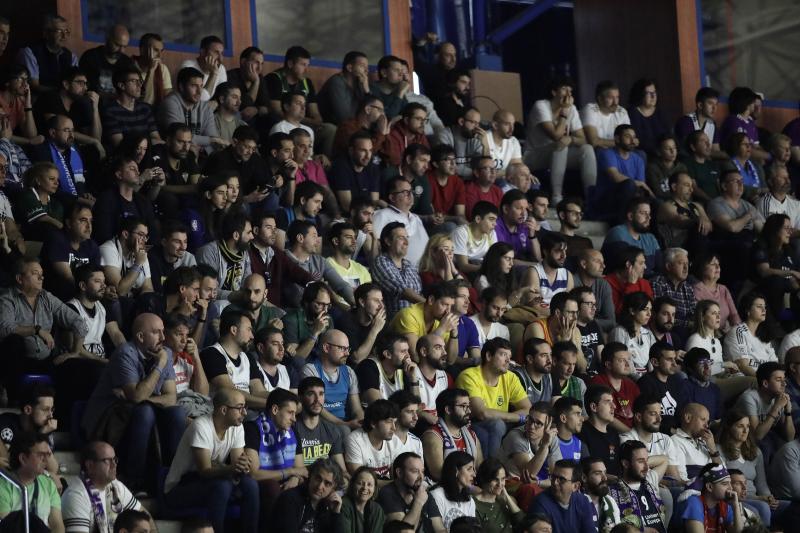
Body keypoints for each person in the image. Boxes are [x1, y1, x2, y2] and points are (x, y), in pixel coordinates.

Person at [81, 313, 184, 492]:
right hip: (107, 418)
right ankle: (134, 479)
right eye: (156, 332)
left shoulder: (164, 353)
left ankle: (171, 479)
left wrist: (143, 398)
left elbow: (170, 397)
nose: (162, 337)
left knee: (177, 412)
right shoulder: (125, 354)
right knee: (145, 412)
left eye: (162, 332)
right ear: (140, 337)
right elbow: (137, 397)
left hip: (136, 412)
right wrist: (159, 366)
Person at [164, 389, 258, 533]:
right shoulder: (201, 426)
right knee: (223, 486)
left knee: (250, 484)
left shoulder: (237, 427)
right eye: (240, 408)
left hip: (209, 481)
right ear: (224, 410)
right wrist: (233, 468)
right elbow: (204, 471)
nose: (244, 413)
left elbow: (237, 466)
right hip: (179, 487)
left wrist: (244, 465)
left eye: (245, 407)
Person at [0, 258, 87, 394]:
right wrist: (36, 330)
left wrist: (74, 353)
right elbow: (4, 329)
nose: (41, 277)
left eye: (42, 273)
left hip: (47, 359)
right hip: (20, 360)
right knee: (13, 342)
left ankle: (61, 412)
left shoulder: (46, 297)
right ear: (19, 278)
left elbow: (78, 322)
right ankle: (12, 396)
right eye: (35, 273)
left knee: (75, 366)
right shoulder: (7, 298)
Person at [455, 338, 532, 457]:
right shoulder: (469, 376)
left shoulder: (510, 378)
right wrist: (516, 417)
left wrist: (513, 418)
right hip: (470, 424)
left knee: (532, 424)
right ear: (489, 356)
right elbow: (481, 413)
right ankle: (491, 471)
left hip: (501, 423)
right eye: (503, 355)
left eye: (509, 356)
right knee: (497, 425)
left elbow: (528, 409)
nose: (508, 360)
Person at [524, 75, 595, 204]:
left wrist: (571, 139)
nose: (568, 93)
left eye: (570, 91)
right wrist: (564, 113)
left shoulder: (572, 109)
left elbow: (583, 139)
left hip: (557, 156)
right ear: (554, 92)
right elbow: (556, 135)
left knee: (587, 149)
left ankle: (591, 198)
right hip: (534, 156)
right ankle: (557, 197)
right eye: (564, 89)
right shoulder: (541, 106)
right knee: (561, 145)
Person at [61, 440, 153, 533]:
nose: (114, 465)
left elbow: (144, 516)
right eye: (107, 461)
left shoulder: (116, 486)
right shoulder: (76, 495)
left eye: (115, 460)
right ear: (90, 465)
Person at [717, 410, 784, 527]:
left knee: (791, 506)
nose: (745, 430)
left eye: (747, 426)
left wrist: (769, 497)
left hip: (758, 498)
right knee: (762, 508)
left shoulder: (756, 452)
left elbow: (761, 484)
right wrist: (759, 498)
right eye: (740, 426)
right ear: (729, 427)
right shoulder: (719, 450)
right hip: (736, 498)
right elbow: (724, 487)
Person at [707, 170, 765, 289]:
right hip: (727, 242)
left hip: (748, 239)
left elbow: (762, 229)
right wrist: (748, 216)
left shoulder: (747, 205)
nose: (740, 184)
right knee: (743, 247)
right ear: (724, 186)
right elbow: (732, 227)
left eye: (742, 181)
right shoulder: (716, 203)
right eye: (736, 181)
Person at [0, 432, 64, 531]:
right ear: (23, 458)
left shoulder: (49, 484)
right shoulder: (3, 486)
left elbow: (57, 526)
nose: (46, 460)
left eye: (48, 455)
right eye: (41, 455)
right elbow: (7, 528)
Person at [30, 114, 95, 208]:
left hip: (79, 203)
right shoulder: (42, 152)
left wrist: (85, 194)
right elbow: (48, 188)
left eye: (72, 130)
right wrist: (79, 200)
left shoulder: (75, 149)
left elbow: (80, 179)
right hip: (56, 205)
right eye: (67, 130)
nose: (71, 135)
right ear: (53, 133)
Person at [735, 362, 795, 461]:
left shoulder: (779, 398)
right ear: (765, 383)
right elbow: (757, 436)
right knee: (765, 446)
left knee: (790, 447)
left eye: (784, 380)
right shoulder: (750, 398)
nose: (784, 384)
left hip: (767, 435)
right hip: (743, 437)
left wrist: (788, 412)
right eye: (778, 380)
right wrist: (776, 407)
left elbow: (789, 438)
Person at [595, 124, 652, 223]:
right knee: (629, 184)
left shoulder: (638, 159)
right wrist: (640, 184)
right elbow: (616, 177)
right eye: (627, 136)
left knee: (651, 200)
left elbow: (642, 187)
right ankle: (622, 223)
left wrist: (656, 200)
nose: (632, 140)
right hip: (607, 200)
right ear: (617, 139)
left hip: (630, 200)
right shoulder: (607, 153)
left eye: (634, 137)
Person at [271, 457, 345, 532]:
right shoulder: (290, 500)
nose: (319, 487)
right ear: (310, 476)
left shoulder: (327, 505)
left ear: (333, 489)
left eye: (327, 484)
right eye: (317, 478)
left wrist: (336, 513)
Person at [0, 385, 59, 479]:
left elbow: (53, 469)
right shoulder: (7, 423)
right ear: (28, 410)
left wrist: (41, 435)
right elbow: (11, 463)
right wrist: (40, 435)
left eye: (52, 410)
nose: (50, 415)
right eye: (45, 410)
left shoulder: (44, 429)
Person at [378, 452, 446, 532]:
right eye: (415, 471)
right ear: (399, 473)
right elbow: (402, 532)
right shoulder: (388, 493)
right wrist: (418, 502)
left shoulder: (424, 493)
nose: (421, 477)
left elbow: (440, 529)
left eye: (422, 472)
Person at [608, 440, 667, 532]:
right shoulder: (611, 492)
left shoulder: (650, 480)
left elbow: (664, 459)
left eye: (647, 460)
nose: (647, 467)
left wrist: (642, 460)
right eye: (640, 461)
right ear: (625, 463)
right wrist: (641, 530)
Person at [158, 67, 222, 152]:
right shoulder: (170, 103)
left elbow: (214, 141)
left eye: (201, 86)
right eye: (194, 86)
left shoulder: (205, 108)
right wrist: (209, 140)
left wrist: (204, 146)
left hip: (200, 156)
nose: (199, 91)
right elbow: (180, 136)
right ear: (181, 87)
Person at [499, 401, 557, 493]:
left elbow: (557, 477)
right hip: (509, 487)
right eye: (530, 419)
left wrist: (539, 483)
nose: (531, 426)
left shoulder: (553, 438)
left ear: (549, 426)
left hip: (534, 486)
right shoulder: (515, 436)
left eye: (538, 423)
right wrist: (545, 445)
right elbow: (528, 475)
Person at [374, 176, 430, 268]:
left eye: (411, 192)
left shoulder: (415, 218)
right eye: (405, 192)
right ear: (392, 197)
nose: (411, 195)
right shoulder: (382, 215)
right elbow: (375, 247)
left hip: (425, 270)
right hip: (397, 271)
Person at [101, 65, 162, 147]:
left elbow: (156, 138)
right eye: (133, 81)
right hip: (125, 157)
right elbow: (120, 144)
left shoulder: (145, 108)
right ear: (121, 86)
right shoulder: (110, 111)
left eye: (139, 81)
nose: (139, 85)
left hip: (148, 154)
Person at [373, 222, 425, 318]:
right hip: (395, 323)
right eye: (401, 238)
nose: (406, 242)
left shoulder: (409, 265)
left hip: (416, 320)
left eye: (407, 237)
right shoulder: (381, 261)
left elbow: (419, 292)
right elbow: (402, 291)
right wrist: (429, 306)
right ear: (388, 241)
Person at [528, 459, 595, 533]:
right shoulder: (540, 504)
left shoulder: (583, 501)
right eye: (553, 477)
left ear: (575, 486)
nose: (555, 482)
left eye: (561, 479)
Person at [723, 292, 778, 378]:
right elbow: (742, 365)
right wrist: (764, 383)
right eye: (759, 307)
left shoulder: (764, 335)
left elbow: (774, 364)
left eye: (765, 307)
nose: (764, 310)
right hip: (747, 381)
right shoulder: (738, 332)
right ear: (747, 310)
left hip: (766, 382)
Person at [636, 343, 687, 433]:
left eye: (674, 359)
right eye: (669, 359)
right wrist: (670, 431)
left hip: (676, 433)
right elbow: (646, 419)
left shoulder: (675, 382)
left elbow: (679, 413)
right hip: (656, 434)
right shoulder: (645, 384)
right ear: (655, 362)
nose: (675, 364)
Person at [602, 197, 661, 275]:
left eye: (649, 214)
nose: (648, 217)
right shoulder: (618, 233)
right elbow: (629, 269)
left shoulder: (651, 238)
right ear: (630, 216)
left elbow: (660, 266)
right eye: (643, 213)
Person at [356, 333, 420, 405]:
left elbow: (416, 407)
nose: (408, 355)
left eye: (407, 350)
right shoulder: (368, 366)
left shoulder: (404, 370)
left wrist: (413, 379)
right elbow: (379, 405)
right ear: (388, 354)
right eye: (403, 351)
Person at [344, 399, 400, 482]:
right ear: (373, 423)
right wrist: (395, 485)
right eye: (389, 422)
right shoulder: (355, 440)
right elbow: (361, 479)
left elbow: (396, 475)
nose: (394, 428)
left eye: (395, 422)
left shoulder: (394, 440)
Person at [657, 172, 713, 254]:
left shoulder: (697, 205)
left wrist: (704, 221)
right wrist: (698, 220)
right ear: (674, 187)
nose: (691, 190)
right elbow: (680, 220)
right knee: (697, 226)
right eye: (687, 185)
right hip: (679, 248)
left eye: (691, 186)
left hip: (703, 243)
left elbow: (709, 225)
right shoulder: (667, 206)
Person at [99, 217, 154, 300]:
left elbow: (148, 288)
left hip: (135, 302)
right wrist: (138, 264)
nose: (144, 240)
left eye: (145, 236)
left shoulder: (140, 252)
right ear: (126, 234)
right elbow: (120, 291)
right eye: (141, 235)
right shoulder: (108, 249)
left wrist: (143, 303)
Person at [590, 342, 641, 430]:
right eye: (621, 360)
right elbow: (605, 416)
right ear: (608, 365)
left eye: (628, 359)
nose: (627, 364)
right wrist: (630, 433)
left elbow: (641, 412)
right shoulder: (598, 382)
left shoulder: (631, 385)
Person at [681, 463, 744, 533]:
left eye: (730, 483)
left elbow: (738, 532)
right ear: (710, 487)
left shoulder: (725, 506)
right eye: (725, 484)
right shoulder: (694, 502)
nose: (730, 488)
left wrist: (735, 506)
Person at [609, 292, 657, 379]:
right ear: (632, 311)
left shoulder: (649, 334)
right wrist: (641, 380)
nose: (649, 314)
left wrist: (652, 379)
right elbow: (621, 362)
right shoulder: (620, 332)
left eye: (650, 309)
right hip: (626, 378)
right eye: (645, 309)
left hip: (646, 378)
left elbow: (653, 360)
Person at [671, 403, 723, 480]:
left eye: (707, 422)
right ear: (688, 418)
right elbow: (682, 480)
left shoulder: (707, 442)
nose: (707, 426)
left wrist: (713, 449)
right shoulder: (675, 441)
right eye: (703, 419)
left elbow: (723, 475)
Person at [579, 385, 622, 476]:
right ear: (594, 407)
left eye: (613, 402)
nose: (614, 406)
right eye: (607, 402)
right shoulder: (581, 432)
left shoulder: (614, 433)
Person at [318, 50, 370, 125]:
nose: (366, 70)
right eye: (362, 66)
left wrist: (367, 89)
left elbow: (371, 110)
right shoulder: (336, 82)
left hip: (354, 125)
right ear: (349, 68)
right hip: (335, 126)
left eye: (367, 67)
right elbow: (343, 117)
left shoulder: (360, 83)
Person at [429, 451, 476, 530]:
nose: (474, 474)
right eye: (469, 469)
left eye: (473, 469)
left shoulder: (469, 500)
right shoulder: (437, 495)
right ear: (456, 471)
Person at [574, 249, 616, 332]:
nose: (603, 266)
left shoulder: (603, 285)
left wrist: (586, 322)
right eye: (597, 261)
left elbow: (611, 322)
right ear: (584, 264)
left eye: (603, 262)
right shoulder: (571, 282)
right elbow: (571, 319)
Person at [603, 246, 654, 315]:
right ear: (628, 264)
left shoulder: (644, 283)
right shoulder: (606, 283)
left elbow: (650, 312)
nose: (645, 267)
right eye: (641, 263)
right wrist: (631, 285)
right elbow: (619, 313)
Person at [451, 201, 498, 275]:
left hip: (480, 267)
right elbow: (463, 266)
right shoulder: (461, 233)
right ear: (478, 219)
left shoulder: (491, 233)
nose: (495, 224)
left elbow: (494, 259)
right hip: (460, 271)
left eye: (495, 220)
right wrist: (486, 269)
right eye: (491, 219)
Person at [581, 80, 631, 149]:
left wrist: (625, 143)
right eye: (611, 98)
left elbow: (629, 138)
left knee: (641, 154)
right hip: (598, 151)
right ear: (600, 99)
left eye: (617, 97)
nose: (615, 102)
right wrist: (622, 143)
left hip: (619, 151)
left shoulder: (622, 111)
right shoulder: (590, 109)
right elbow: (594, 141)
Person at [336, 466, 386, 533]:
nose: (365, 488)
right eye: (360, 483)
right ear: (353, 484)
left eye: (369, 484)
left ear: (374, 488)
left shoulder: (376, 509)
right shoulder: (344, 505)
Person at [628, 78, 670, 157]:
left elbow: (668, 135)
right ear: (640, 95)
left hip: (662, 153)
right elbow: (637, 140)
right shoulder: (632, 113)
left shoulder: (660, 112)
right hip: (644, 154)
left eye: (654, 92)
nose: (653, 96)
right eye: (649, 93)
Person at [179, 35, 226, 102]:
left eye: (222, 53)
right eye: (216, 52)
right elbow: (200, 100)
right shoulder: (188, 66)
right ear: (203, 52)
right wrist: (213, 73)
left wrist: (216, 103)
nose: (220, 58)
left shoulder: (221, 68)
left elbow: (223, 96)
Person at [531, 232, 574, 305]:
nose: (564, 256)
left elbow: (569, 305)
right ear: (546, 252)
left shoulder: (567, 275)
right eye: (558, 251)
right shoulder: (534, 272)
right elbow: (535, 307)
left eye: (565, 251)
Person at [132, 33, 171, 107]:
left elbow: (168, 97)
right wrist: (151, 70)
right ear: (143, 50)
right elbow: (142, 100)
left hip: (156, 112)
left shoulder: (163, 69)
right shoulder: (130, 67)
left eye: (161, 51)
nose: (160, 55)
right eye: (156, 50)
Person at [512, 339, 553, 404]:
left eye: (550, 355)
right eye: (544, 356)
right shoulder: (517, 377)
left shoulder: (550, 377)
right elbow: (524, 410)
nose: (550, 360)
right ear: (530, 359)